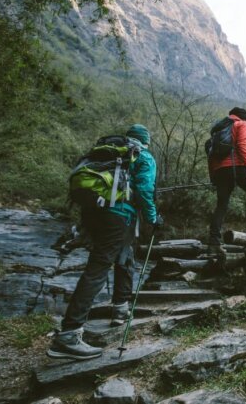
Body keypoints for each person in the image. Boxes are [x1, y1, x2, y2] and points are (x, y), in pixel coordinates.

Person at [47, 124, 161, 360]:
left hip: (94, 213)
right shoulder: (143, 156)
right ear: (145, 141)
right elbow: (144, 189)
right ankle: (68, 336)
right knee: (98, 268)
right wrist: (152, 218)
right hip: (118, 215)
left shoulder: (108, 152)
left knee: (124, 256)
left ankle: (120, 308)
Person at [208, 107, 246, 247]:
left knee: (221, 205)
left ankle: (213, 240)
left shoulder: (218, 130)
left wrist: (213, 176)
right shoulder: (241, 124)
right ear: (244, 118)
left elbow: (210, 156)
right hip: (237, 167)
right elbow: (242, 145)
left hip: (219, 170)